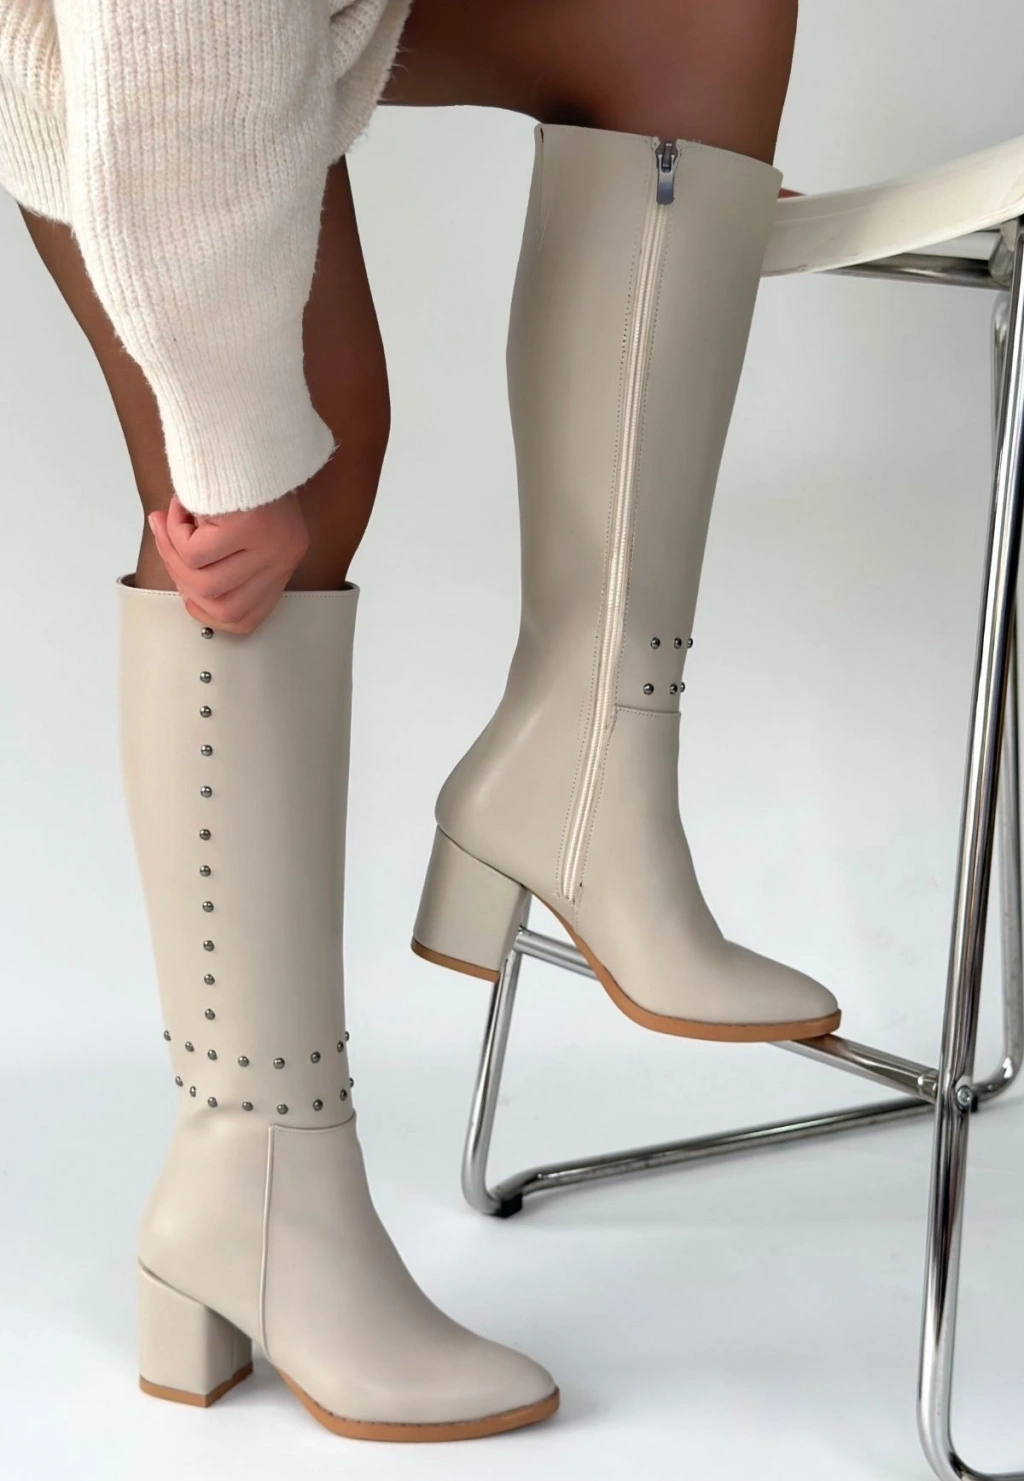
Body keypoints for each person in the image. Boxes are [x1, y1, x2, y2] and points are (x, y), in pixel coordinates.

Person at [0, 0, 839, 1444]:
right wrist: (231, 442)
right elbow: (165, 50)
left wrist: (695, 208)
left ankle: (583, 766)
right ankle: (255, 1171)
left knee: (692, 25)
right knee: (281, 482)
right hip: (135, 53)